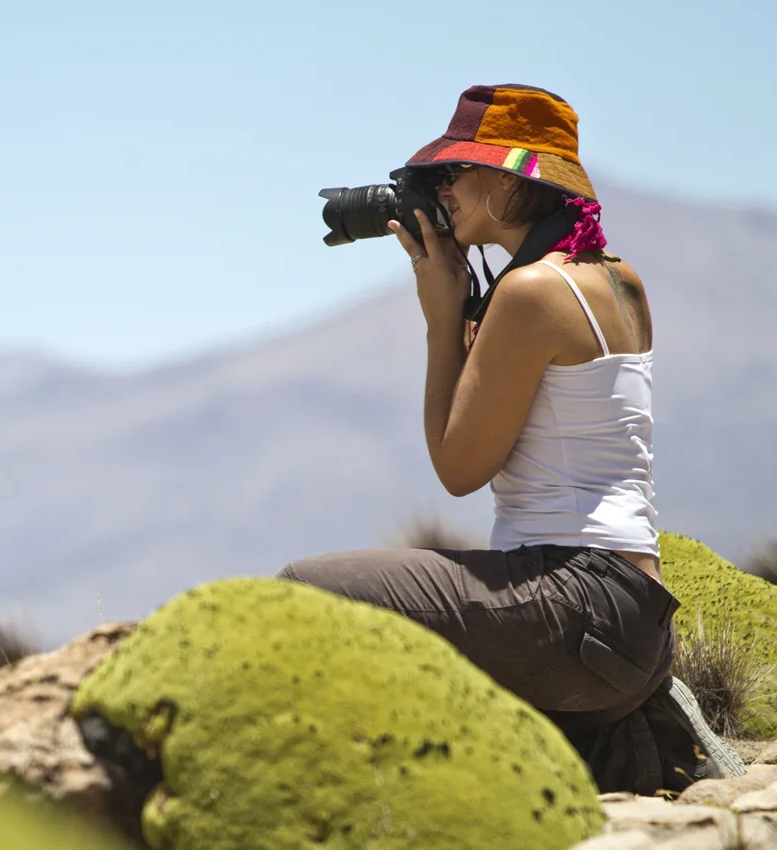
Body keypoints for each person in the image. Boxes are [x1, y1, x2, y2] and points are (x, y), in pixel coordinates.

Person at [277, 84, 743, 792]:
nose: (441, 190)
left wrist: (441, 322)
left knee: (304, 590)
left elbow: (459, 466)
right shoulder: (615, 280)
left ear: (504, 179)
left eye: (452, 172)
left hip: (581, 603)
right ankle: (622, 735)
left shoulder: (530, 294)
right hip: (635, 627)